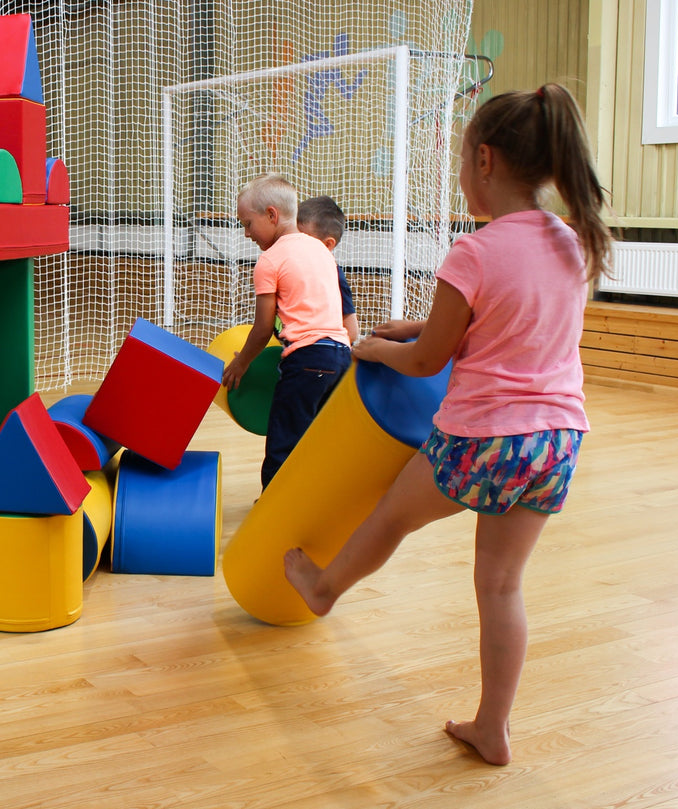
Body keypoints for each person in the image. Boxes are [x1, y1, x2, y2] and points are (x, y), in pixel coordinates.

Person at [282, 84, 612, 766]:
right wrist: (423, 326)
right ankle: (494, 726)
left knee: (388, 518)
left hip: (480, 440)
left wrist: (373, 347)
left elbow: (429, 356)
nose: (462, 171)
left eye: (462, 158)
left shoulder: (475, 250)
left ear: (484, 160)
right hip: (555, 443)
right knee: (502, 587)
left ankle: (321, 588)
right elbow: (510, 327)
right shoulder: (574, 242)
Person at [223, 174, 352, 490]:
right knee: (316, 440)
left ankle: (271, 515)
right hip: (340, 358)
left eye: (248, 223)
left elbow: (264, 326)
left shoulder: (270, 260)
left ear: (271, 215)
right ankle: (310, 505)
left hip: (306, 360)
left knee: (282, 443)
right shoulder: (322, 251)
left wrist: (242, 363)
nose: (246, 233)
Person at [297, 195, 360, 344]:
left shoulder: (333, 275)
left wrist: (322, 348)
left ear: (327, 245)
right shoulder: (291, 270)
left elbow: (352, 331)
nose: (294, 244)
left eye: (303, 240)